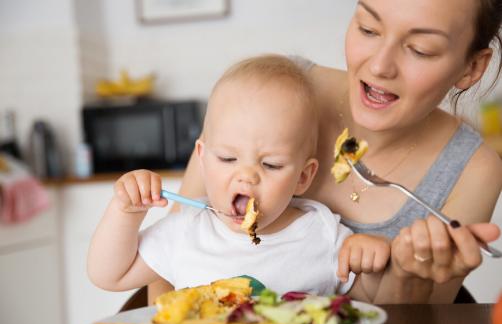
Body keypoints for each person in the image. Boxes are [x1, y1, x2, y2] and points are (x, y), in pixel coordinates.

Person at [148, 0, 502, 304]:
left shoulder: (473, 169)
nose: (379, 66)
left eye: (420, 49)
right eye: (368, 28)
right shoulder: (273, 92)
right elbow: (168, 264)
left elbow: (418, 322)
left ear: (471, 68)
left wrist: (409, 277)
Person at [87, 55, 400, 302]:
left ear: (303, 177)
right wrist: (126, 212)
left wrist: (370, 263)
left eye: (272, 164)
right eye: (227, 159)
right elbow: (108, 275)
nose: (247, 177)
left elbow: (371, 306)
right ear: (202, 157)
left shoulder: (322, 234)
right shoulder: (187, 230)